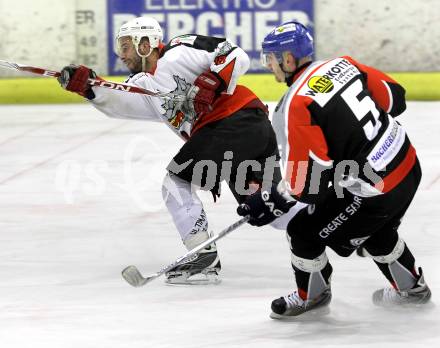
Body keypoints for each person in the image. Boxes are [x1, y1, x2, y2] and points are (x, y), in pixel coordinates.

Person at [57, 17, 302, 285]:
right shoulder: (143, 84)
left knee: (175, 182)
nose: (121, 54)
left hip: (234, 121)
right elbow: (120, 104)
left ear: (145, 43)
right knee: (269, 204)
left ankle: (203, 257)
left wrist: (212, 79)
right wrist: (88, 87)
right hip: (247, 131)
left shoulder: (179, 49)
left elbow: (234, 53)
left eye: (126, 46)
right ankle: (323, 229)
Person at [237, 21, 431, 319]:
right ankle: (412, 288)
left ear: (288, 60)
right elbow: (396, 98)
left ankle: (312, 295)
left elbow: (308, 187)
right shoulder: (342, 64)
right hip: (409, 165)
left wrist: (270, 201)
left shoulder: (295, 105)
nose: (270, 67)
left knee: (302, 231)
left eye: (271, 60)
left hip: (378, 191)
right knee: (376, 229)